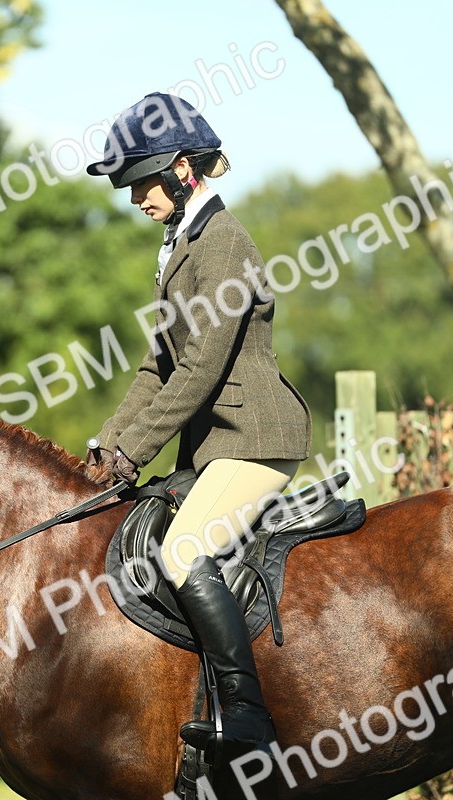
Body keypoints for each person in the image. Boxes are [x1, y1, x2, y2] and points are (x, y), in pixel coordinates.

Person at [83, 93, 312, 773]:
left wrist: (138, 449)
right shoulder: (180, 246)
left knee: (182, 552)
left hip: (255, 437)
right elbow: (158, 366)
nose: (134, 200)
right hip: (214, 444)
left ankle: (246, 711)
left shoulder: (226, 244)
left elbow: (202, 370)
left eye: (139, 183)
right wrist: (107, 444)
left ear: (182, 169)